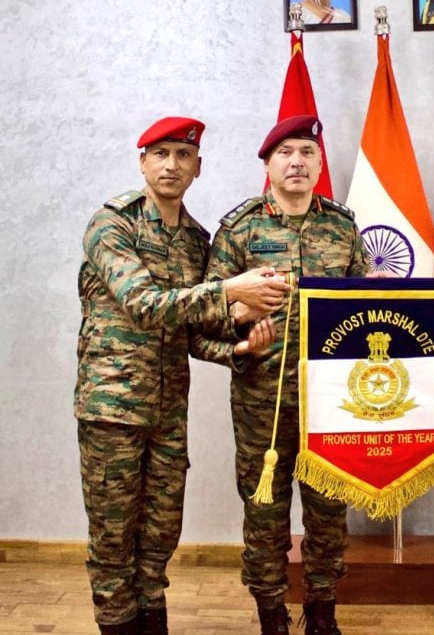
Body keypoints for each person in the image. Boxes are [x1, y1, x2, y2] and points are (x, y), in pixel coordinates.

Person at [75, 116, 284, 635]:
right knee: (113, 535)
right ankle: (118, 624)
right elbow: (144, 306)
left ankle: (152, 623)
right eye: (161, 154)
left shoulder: (195, 240)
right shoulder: (113, 224)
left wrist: (239, 344)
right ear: (142, 161)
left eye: (183, 156)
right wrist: (232, 293)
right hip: (113, 406)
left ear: (197, 167)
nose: (171, 165)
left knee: (160, 533)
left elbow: (192, 331)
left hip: (169, 409)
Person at [201, 115, 370, 635]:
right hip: (261, 399)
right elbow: (203, 317)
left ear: (320, 164)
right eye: (285, 153)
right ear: (268, 164)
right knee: (265, 514)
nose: (296, 161)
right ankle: (271, 614)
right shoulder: (239, 229)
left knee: (328, 513)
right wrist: (243, 340)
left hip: (330, 401)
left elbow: (367, 308)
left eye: (306, 152)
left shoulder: (342, 227)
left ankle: (322, 611)